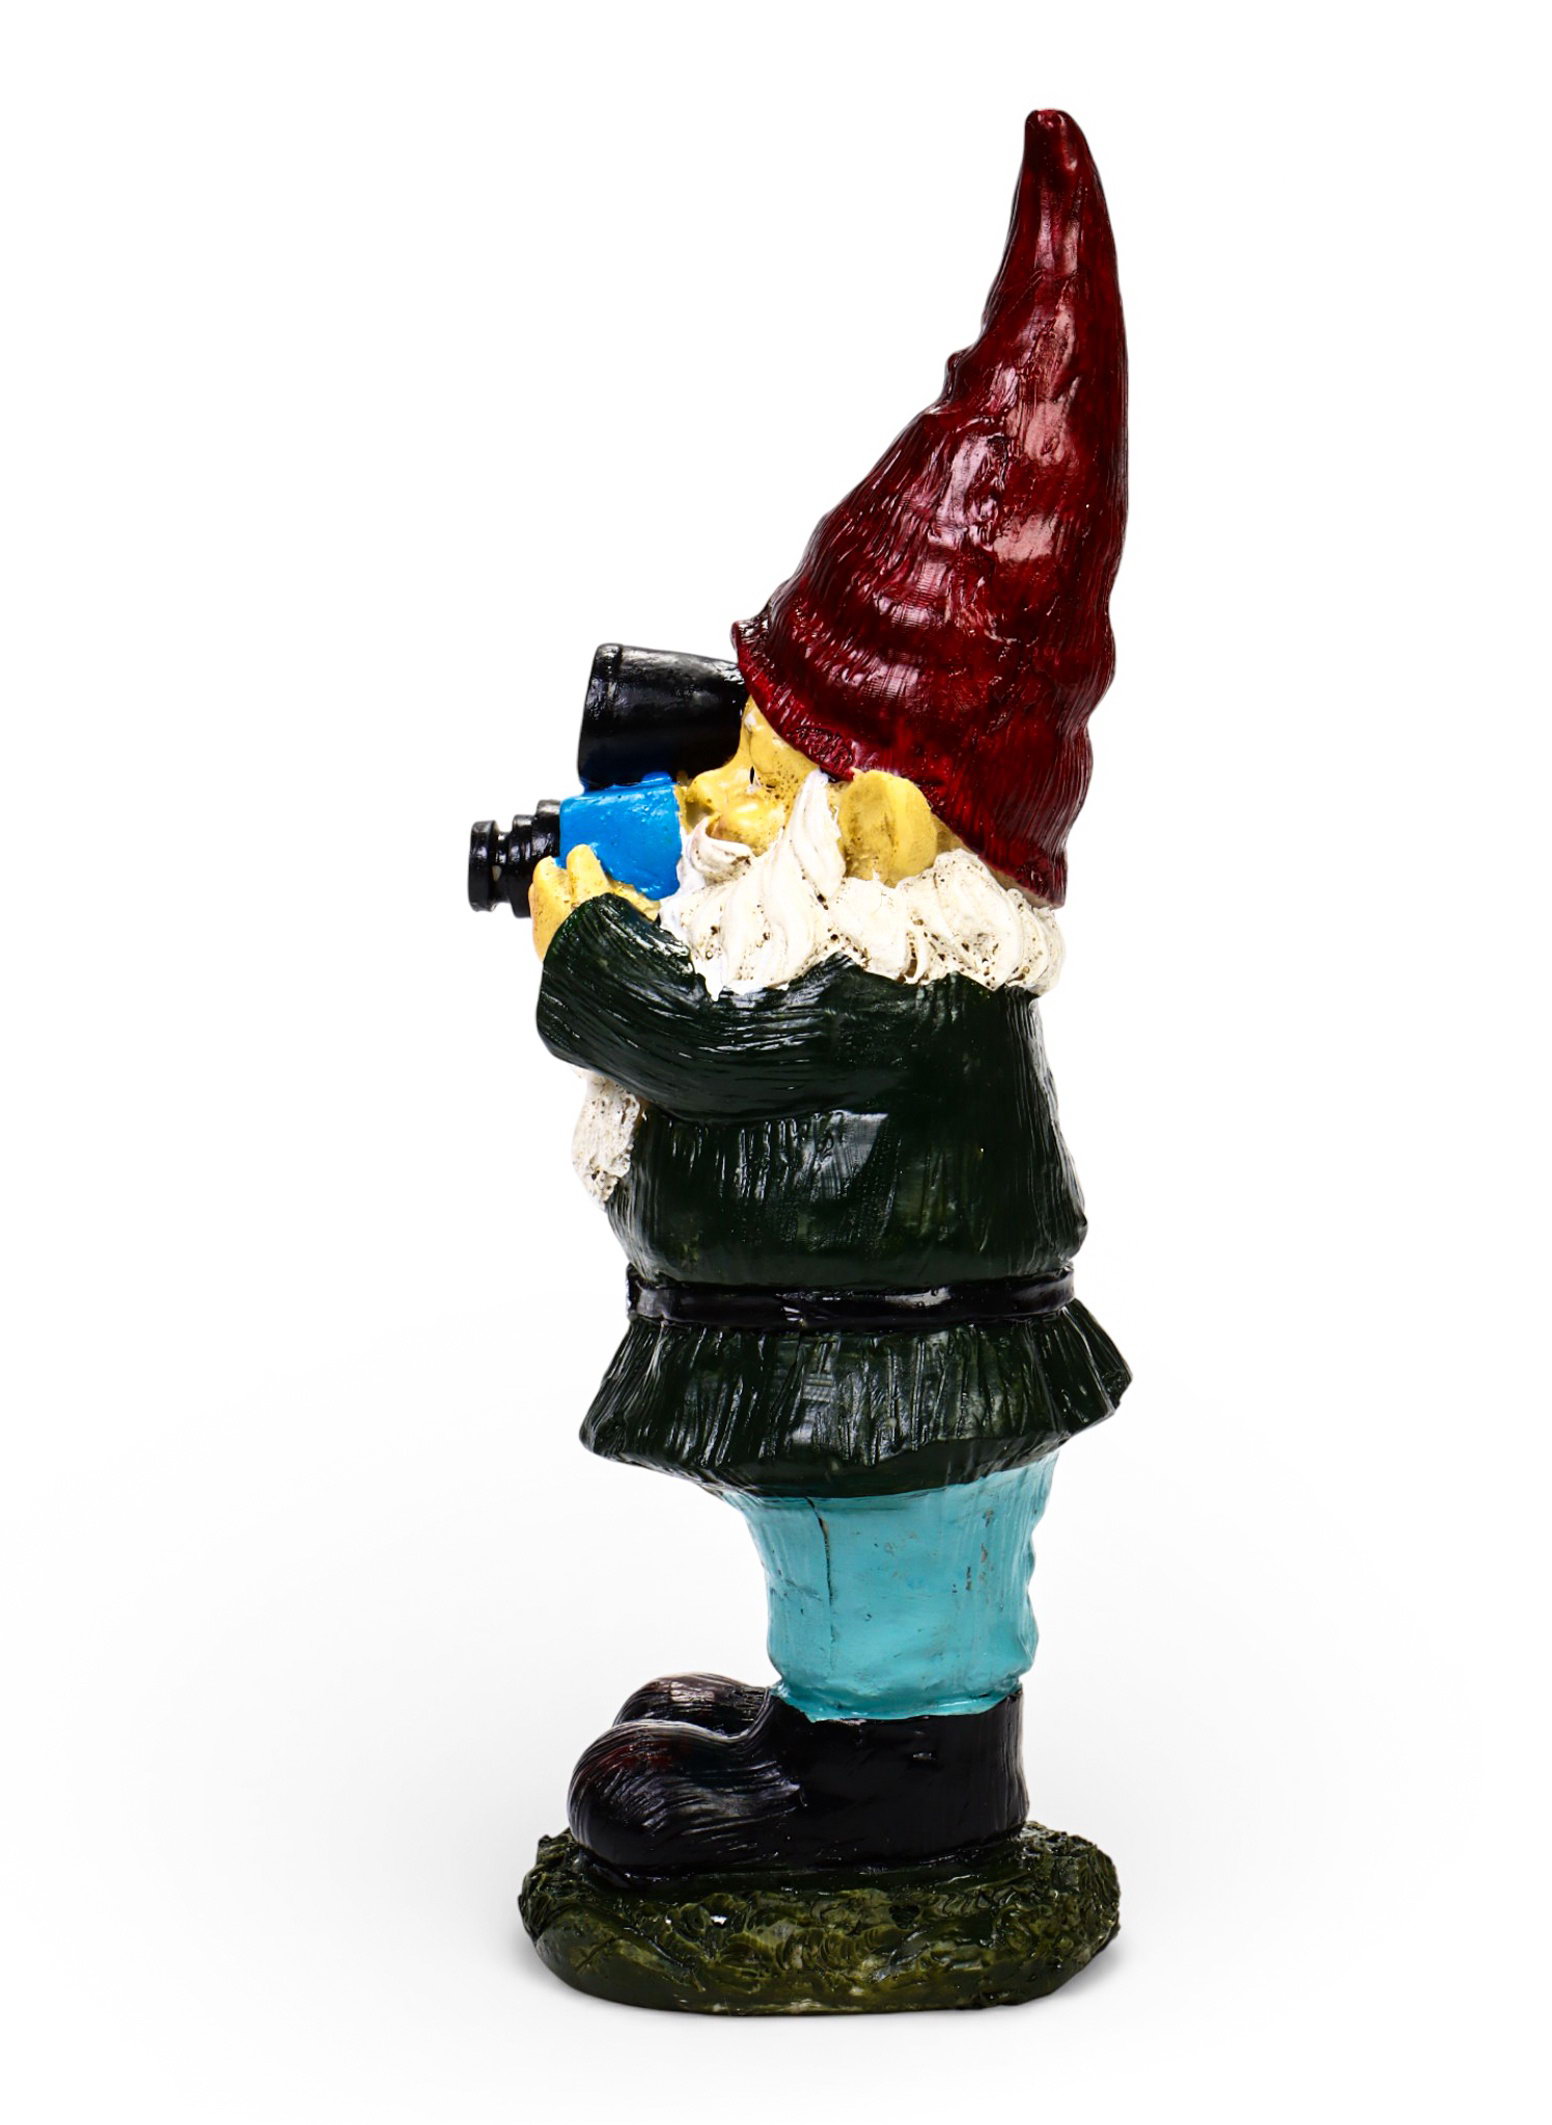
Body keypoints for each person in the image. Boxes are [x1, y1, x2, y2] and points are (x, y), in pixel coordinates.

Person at [531, 108, 1129, 1876]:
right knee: (845, 1544)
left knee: (894, 1552)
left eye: (769, 768)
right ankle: (844, 1717)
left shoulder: (897, 973)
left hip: (904, 1385)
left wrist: (587, 938)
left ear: (888, 816)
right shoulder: (851, 926)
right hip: (855, 1367)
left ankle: (902, 1773)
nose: (730, 801)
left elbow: (702, 1037)